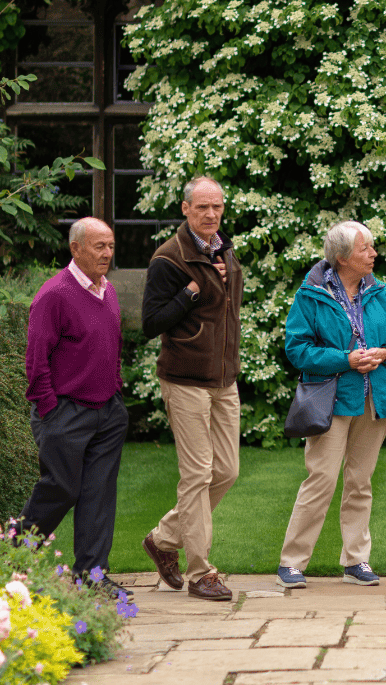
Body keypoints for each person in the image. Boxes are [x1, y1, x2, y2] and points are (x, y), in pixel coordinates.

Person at [276, 220, 386, 589]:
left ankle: (356, 561)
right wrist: (346, 360)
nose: (373, 254)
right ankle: (291, 563)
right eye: (365, 248)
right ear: (342, 257)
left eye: (371, 247)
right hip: (332, 401)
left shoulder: (382, 292)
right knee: (320, 480)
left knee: (360, 481)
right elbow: (297, 351)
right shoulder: (311, 295)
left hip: (375, 399)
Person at [16, 217, 131, 600]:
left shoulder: (108, 291)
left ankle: (92, 577)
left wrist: (115, 394)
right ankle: (9, 558)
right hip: (65, 412)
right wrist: (49, 408)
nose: (107, 254)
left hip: (107, 412)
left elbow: (111, 347)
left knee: (99, 495)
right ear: (76, 248)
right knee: (60, 489)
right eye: (99, 246)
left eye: (110, 246)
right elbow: (36, 360)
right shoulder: (55, 294)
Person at [140, 176, 243, 602]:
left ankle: (164, 538)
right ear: (185, 209)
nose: (211, 215)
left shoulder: (225, 250)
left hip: (223, 379)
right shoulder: (169, 258)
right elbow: (150, 323)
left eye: (217, 207)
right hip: (184, 379)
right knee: (198, 473)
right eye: (202, 207)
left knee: (227, 471)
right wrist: (190, 292)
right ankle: (202, 573)